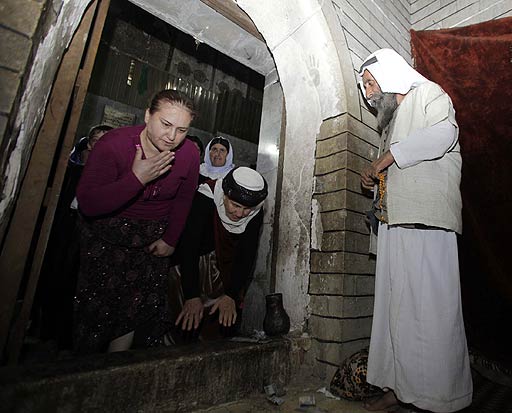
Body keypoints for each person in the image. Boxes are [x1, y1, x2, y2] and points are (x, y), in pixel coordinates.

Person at [358, 48, 472, 412]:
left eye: (371, 82)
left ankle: (439, 396)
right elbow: (388, 169)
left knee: (430, 310)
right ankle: (399, 387)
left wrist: (386, 159)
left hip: (427, 219)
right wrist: (373, 175)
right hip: (394, 222)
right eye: (364, 87)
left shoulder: (429, 94)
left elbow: (444, 135)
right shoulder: (390, 123)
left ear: (390, 75)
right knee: (397, 309)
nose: (368, 92)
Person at [73, 89, 200, 354]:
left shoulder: (189, 154)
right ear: (147, 115)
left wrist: (170, 239)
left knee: (135, 309)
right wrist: (136, 179)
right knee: (98, 310)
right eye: (166, 124)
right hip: (106, 237)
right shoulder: (114, 144)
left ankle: (117, 374)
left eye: (181, 130)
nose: (172, 136)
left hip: (151, 242)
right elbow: (88, 203)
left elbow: (184, 200)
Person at [172, 166, 267, 338]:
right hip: (189, 269)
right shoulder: (206, 195)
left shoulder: (254, 211)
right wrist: (191, 295)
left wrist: (231, 294)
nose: (240, 213)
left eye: (246, 209)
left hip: (223, 273)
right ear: (224, 194)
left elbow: (247, 253)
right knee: (183, 324)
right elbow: (189, 245)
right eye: (235, 205)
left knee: (214, 330)